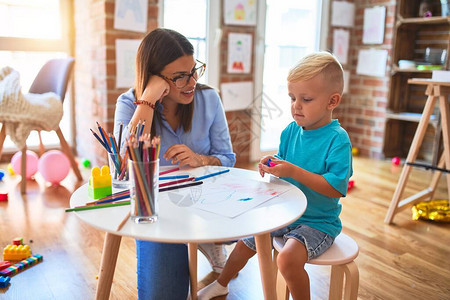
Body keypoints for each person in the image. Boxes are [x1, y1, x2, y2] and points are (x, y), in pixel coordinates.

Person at [198, 51, 353, 300]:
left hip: (317, 223)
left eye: (306, 99)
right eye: (292, 97)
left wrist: (293, 171)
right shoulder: (291, 131)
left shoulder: (338, 139)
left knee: (288, 260)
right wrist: (271, 164)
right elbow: (283, 163)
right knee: (243, 244)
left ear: (332, 101)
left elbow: (336, 188)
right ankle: (222, 283)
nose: (296, 105)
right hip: (285, 213)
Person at [114, 28, 236, 299]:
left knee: (261, 232)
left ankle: (209, 239)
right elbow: (122, 171)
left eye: (194, 70)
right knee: (164, 294)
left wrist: (201, 159)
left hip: (205, 203)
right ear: (155, 76)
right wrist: (147, 100)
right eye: (180, 77)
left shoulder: (209, 99)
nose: (192, 81)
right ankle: (205, 241)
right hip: (157, 212)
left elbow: (228, 158)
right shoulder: (128, 104)